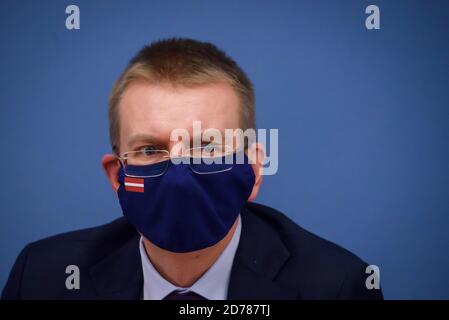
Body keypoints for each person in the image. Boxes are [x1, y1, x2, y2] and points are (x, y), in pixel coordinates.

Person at [2, 38, 382, 300]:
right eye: (151, 148)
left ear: (252, 170)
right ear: (117, 175)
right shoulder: (43, 278)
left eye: (206, 146)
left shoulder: (336, 286)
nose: (180, 175)